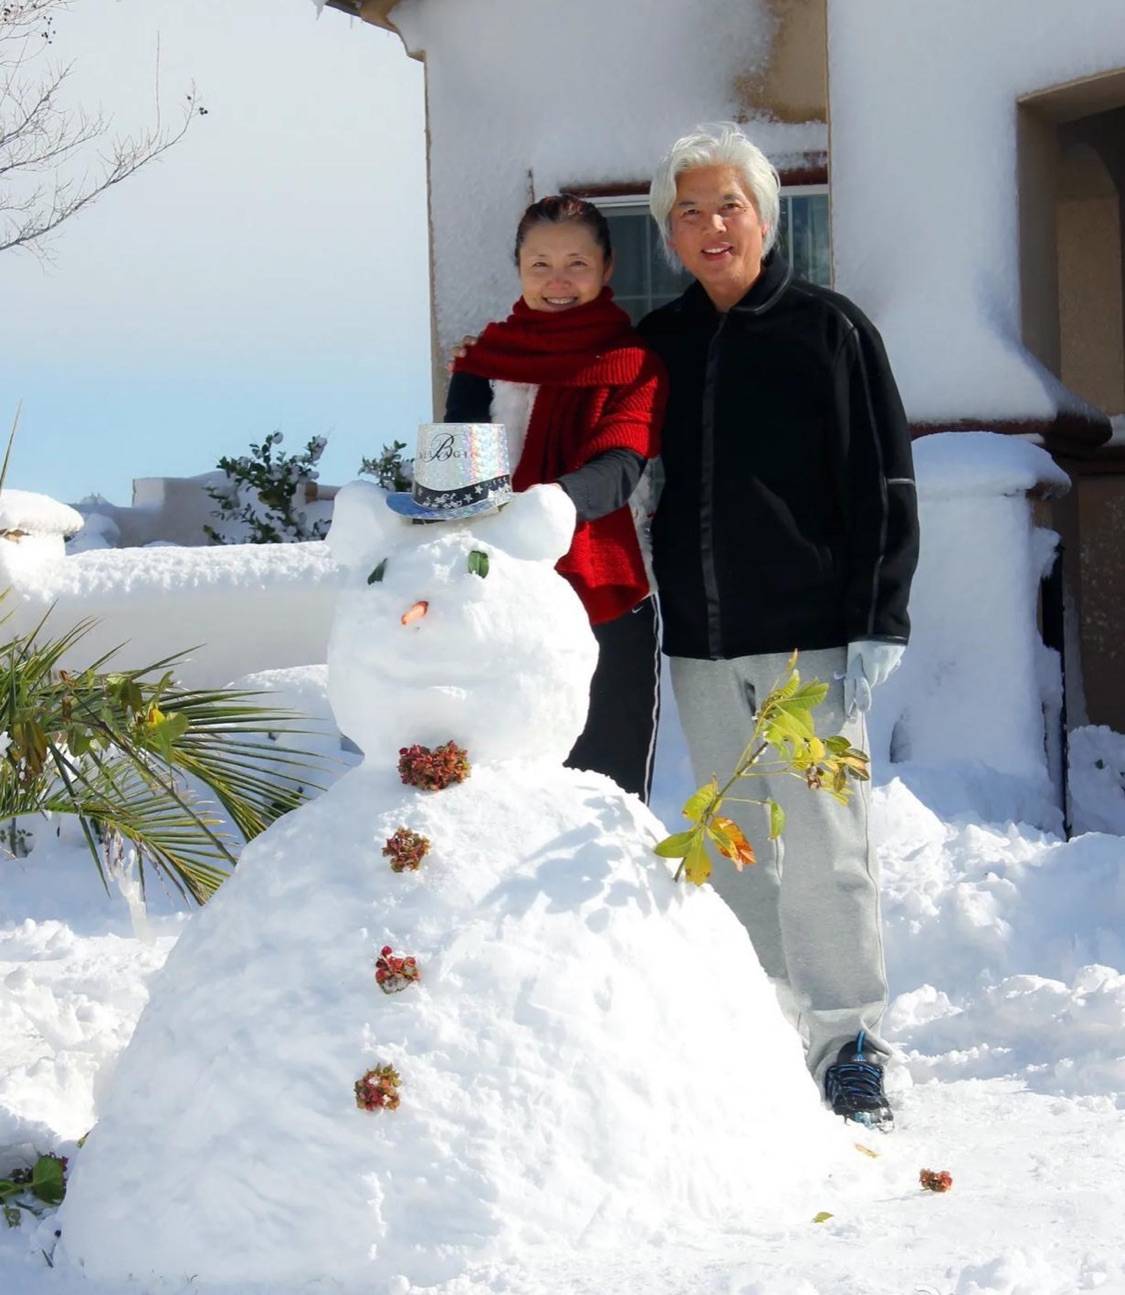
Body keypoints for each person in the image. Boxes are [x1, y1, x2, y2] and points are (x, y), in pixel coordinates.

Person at [637, 124, 920, 1131]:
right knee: (736, 842)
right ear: (669, 231)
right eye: (690, 211)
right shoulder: (656, 347)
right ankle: (761, 1033)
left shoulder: (829, 331)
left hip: (809, 648)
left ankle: (849, 1042)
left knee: (830, 844)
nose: (713, 226)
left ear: (766, 215)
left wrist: (876, 616)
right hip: (704, 646)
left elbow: (883, 481)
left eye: (729, 205)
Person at [446, 194, 666, 801]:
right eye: (539, 264)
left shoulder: (634, 362)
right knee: (506, 784)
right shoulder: (483, 361)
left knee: (607, 789)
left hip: (606, 594)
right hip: (499, 593)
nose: (558, 280)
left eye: (576, 263)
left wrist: (543, 509)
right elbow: (457, 478)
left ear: (607, 267)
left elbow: (621, 462)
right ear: (518, 267)